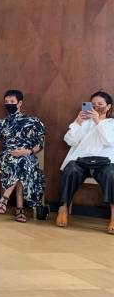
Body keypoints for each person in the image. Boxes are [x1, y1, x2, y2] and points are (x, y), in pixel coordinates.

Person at [56, 91, 114, 233]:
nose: (96, 107)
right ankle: (63, 208)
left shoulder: (111, 123)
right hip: (81, 161)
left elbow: (108, 140)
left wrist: (97, 122)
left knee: (112, 174)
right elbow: (69, 140)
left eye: (100, 104)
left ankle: (113, 214)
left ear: (108, 107)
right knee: (71, 170)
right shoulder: (84, 122)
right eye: (93, 104)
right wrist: (78, 122)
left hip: (105, 162)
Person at [0, 89, 46, 223]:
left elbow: (40, 145)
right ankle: (19, 210)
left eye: (12, 101)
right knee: (21, 163)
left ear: (20, 103)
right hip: (7, 156)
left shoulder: (33, 121)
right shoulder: (3, 122)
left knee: (22, 161)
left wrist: (27, 151)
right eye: (6, 102)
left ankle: (5, 197)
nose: (9, 104)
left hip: (27, 155)